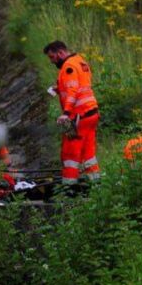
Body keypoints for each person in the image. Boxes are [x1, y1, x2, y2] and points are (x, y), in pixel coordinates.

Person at [44, 40, 101, 185]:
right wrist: (58, 89)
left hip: (78, 117)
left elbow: (73, 91)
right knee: (88, 153)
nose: (51, 61)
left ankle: (68, 190)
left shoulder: (68, 66)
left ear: (61, 53)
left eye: (52, 57)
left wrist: (66, 113)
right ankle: (96, 184)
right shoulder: (80, 61)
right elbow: (80, 86)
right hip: (92, 114)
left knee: (70, 154)